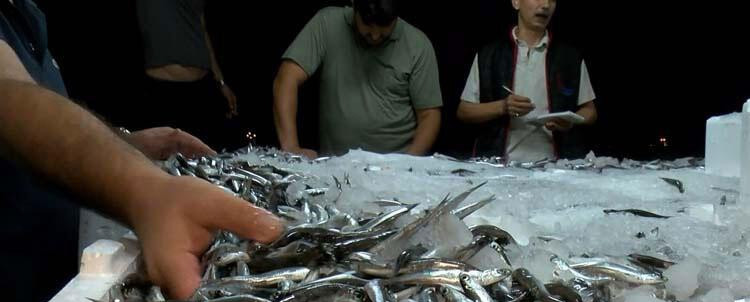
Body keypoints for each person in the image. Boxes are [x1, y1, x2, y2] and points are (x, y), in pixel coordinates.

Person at [0, 0, 278, 302]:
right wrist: (148, 191)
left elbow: (42, 116)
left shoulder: (24, 14)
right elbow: (8, 97)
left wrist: (128, 145)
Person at [273, 0, 443, 158]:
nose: (375, 35)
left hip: (395, 170)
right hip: (335, 168)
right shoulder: (327, 23)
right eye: (368, 26)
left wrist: (407, 164)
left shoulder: (418, 44)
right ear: (355, 8)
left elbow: (429, 115)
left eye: (384, 28)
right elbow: (287, 78)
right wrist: (290, 146)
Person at [457, 0, 598, 160]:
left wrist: (571, 121)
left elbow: (590, 111)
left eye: (551, 0)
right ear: (516, 2)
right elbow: (464, 111)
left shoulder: (570, 57)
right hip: (498, 167)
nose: (545, 5)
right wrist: (502, 106)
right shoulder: (489, 55)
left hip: (557, 168)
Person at [135, 0, 239, 150]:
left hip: (202, 85)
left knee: (207, 158)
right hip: (163, 88)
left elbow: (201, 29)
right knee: (162, 161)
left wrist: (221, 81)